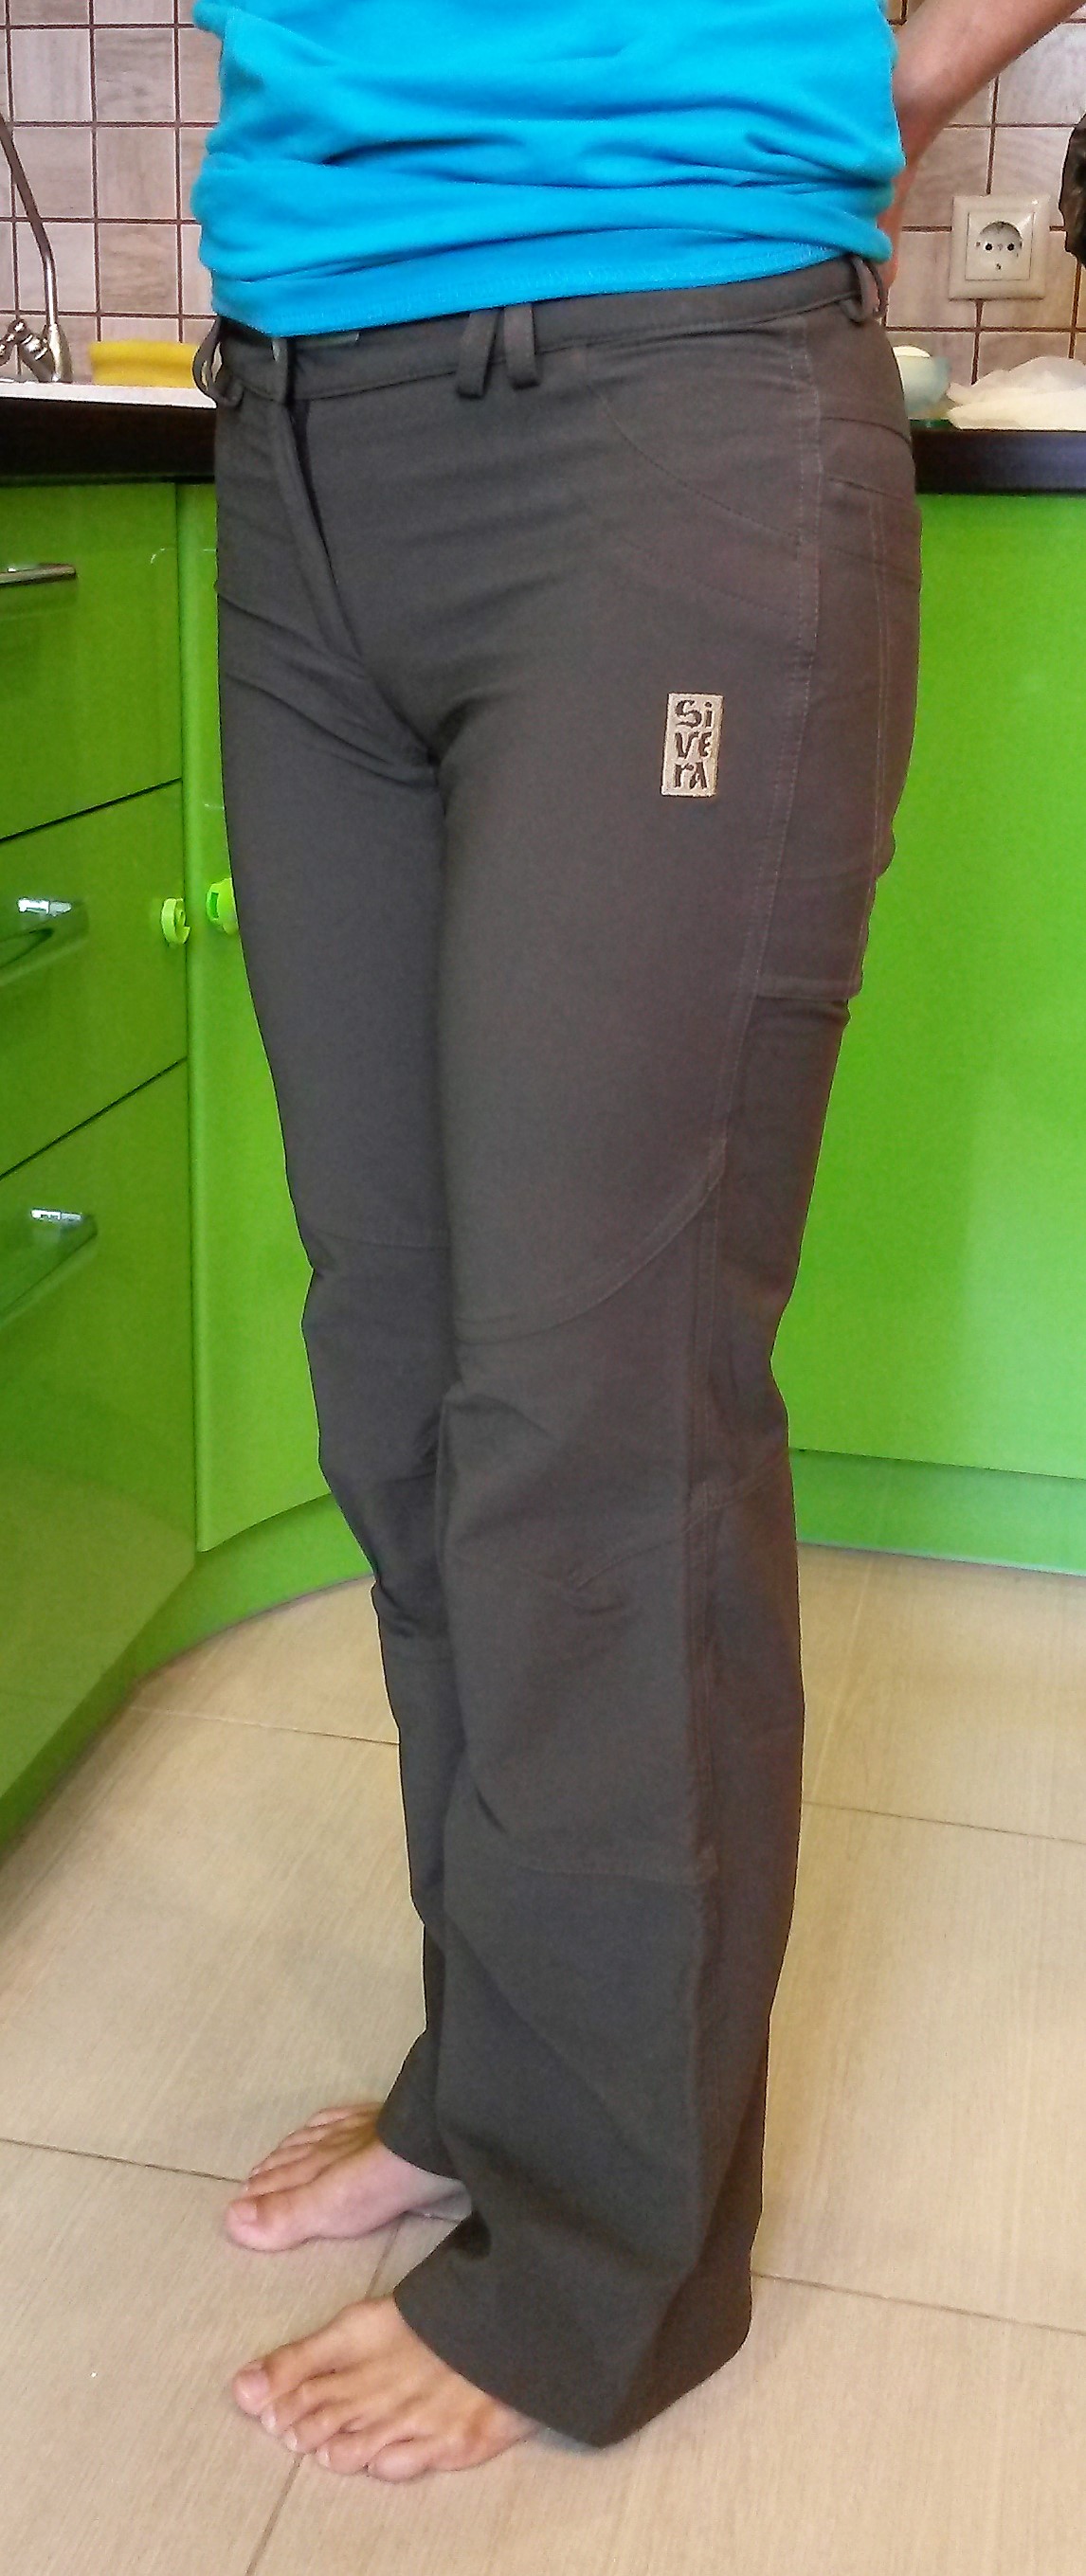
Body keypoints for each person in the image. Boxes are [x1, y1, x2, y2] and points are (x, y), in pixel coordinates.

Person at [190, 0, 1077, 2487]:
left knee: (594, 1397)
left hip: (659, 398)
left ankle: (604, 2252)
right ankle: (494, 2080)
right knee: (406, 1370)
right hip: (294, 417)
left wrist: (886, 80)